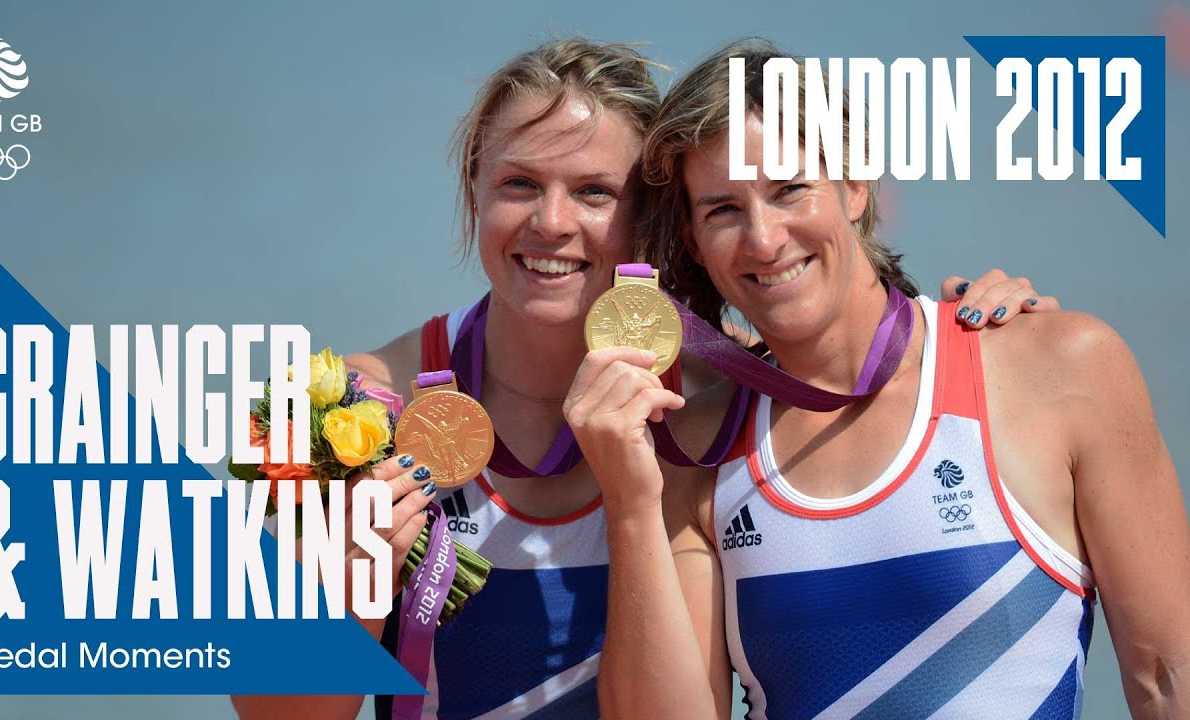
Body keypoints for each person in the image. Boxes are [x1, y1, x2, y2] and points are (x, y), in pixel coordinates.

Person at [232, 38, 1050, 720]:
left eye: (594, 192)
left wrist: (986, 323)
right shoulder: (357, 409)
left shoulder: (716, 403)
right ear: (473, 186)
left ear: (647, 219)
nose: (551, 222)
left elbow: (862, 354)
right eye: (520, 183)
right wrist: (347, 587)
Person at [567, 38, 1190, 720]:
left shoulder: (1059, 367)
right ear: (691, 239)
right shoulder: (697, 445)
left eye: (789, 190)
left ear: (856, 185)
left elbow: (1167, 679)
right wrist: (630, 501)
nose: (765, 239)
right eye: (722, 209)